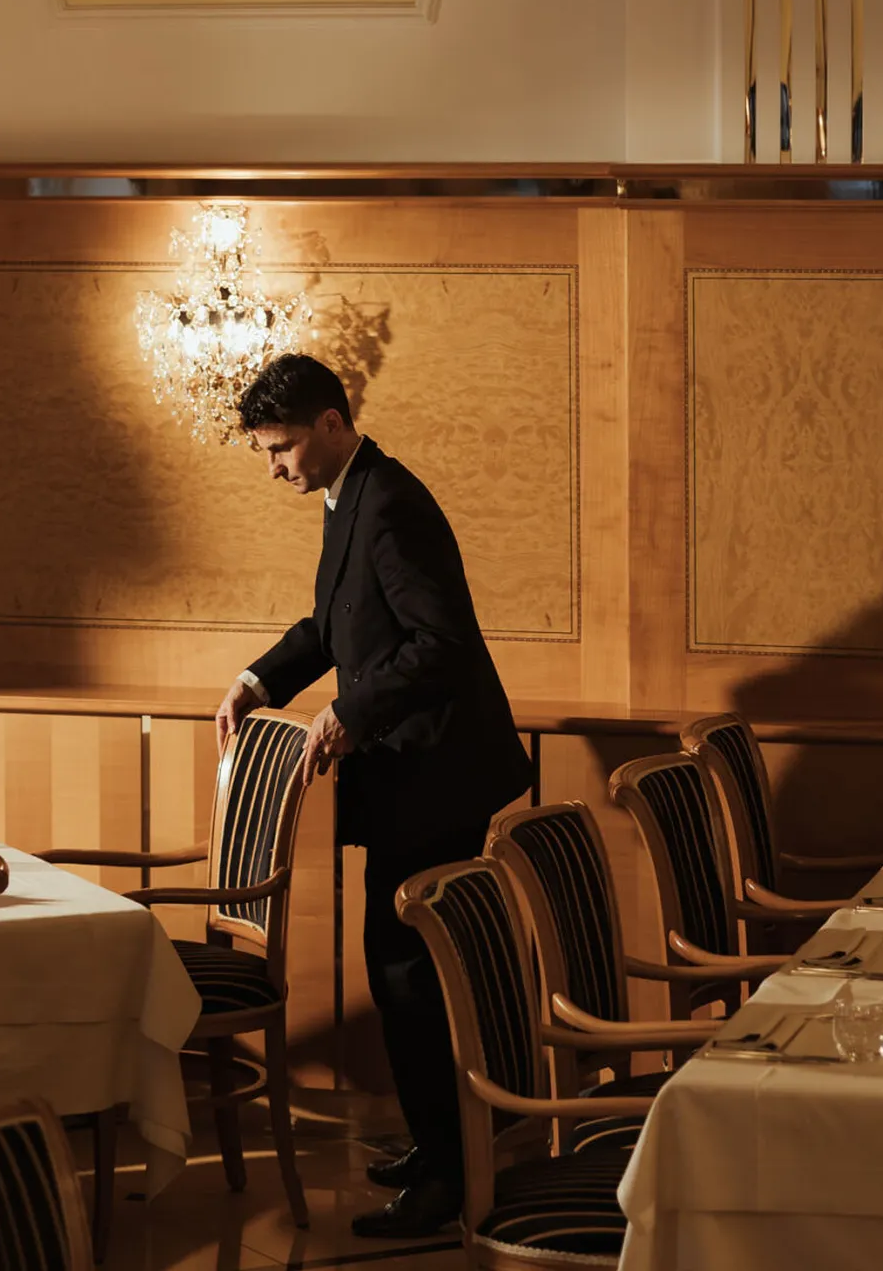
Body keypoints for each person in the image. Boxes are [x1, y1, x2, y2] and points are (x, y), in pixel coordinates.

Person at [214, 352, 532, 1239]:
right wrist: (258, 680)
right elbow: (334, 625)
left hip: (434, 776)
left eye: (279, 447)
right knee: (407, 974)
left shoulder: (388, 502)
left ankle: (449, 1178)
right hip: (412, 773)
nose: (272, 466)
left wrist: (351, 711)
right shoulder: (349, 494)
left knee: (409, 975)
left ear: (328, 423)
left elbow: (442, 645)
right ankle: (441, 1150)